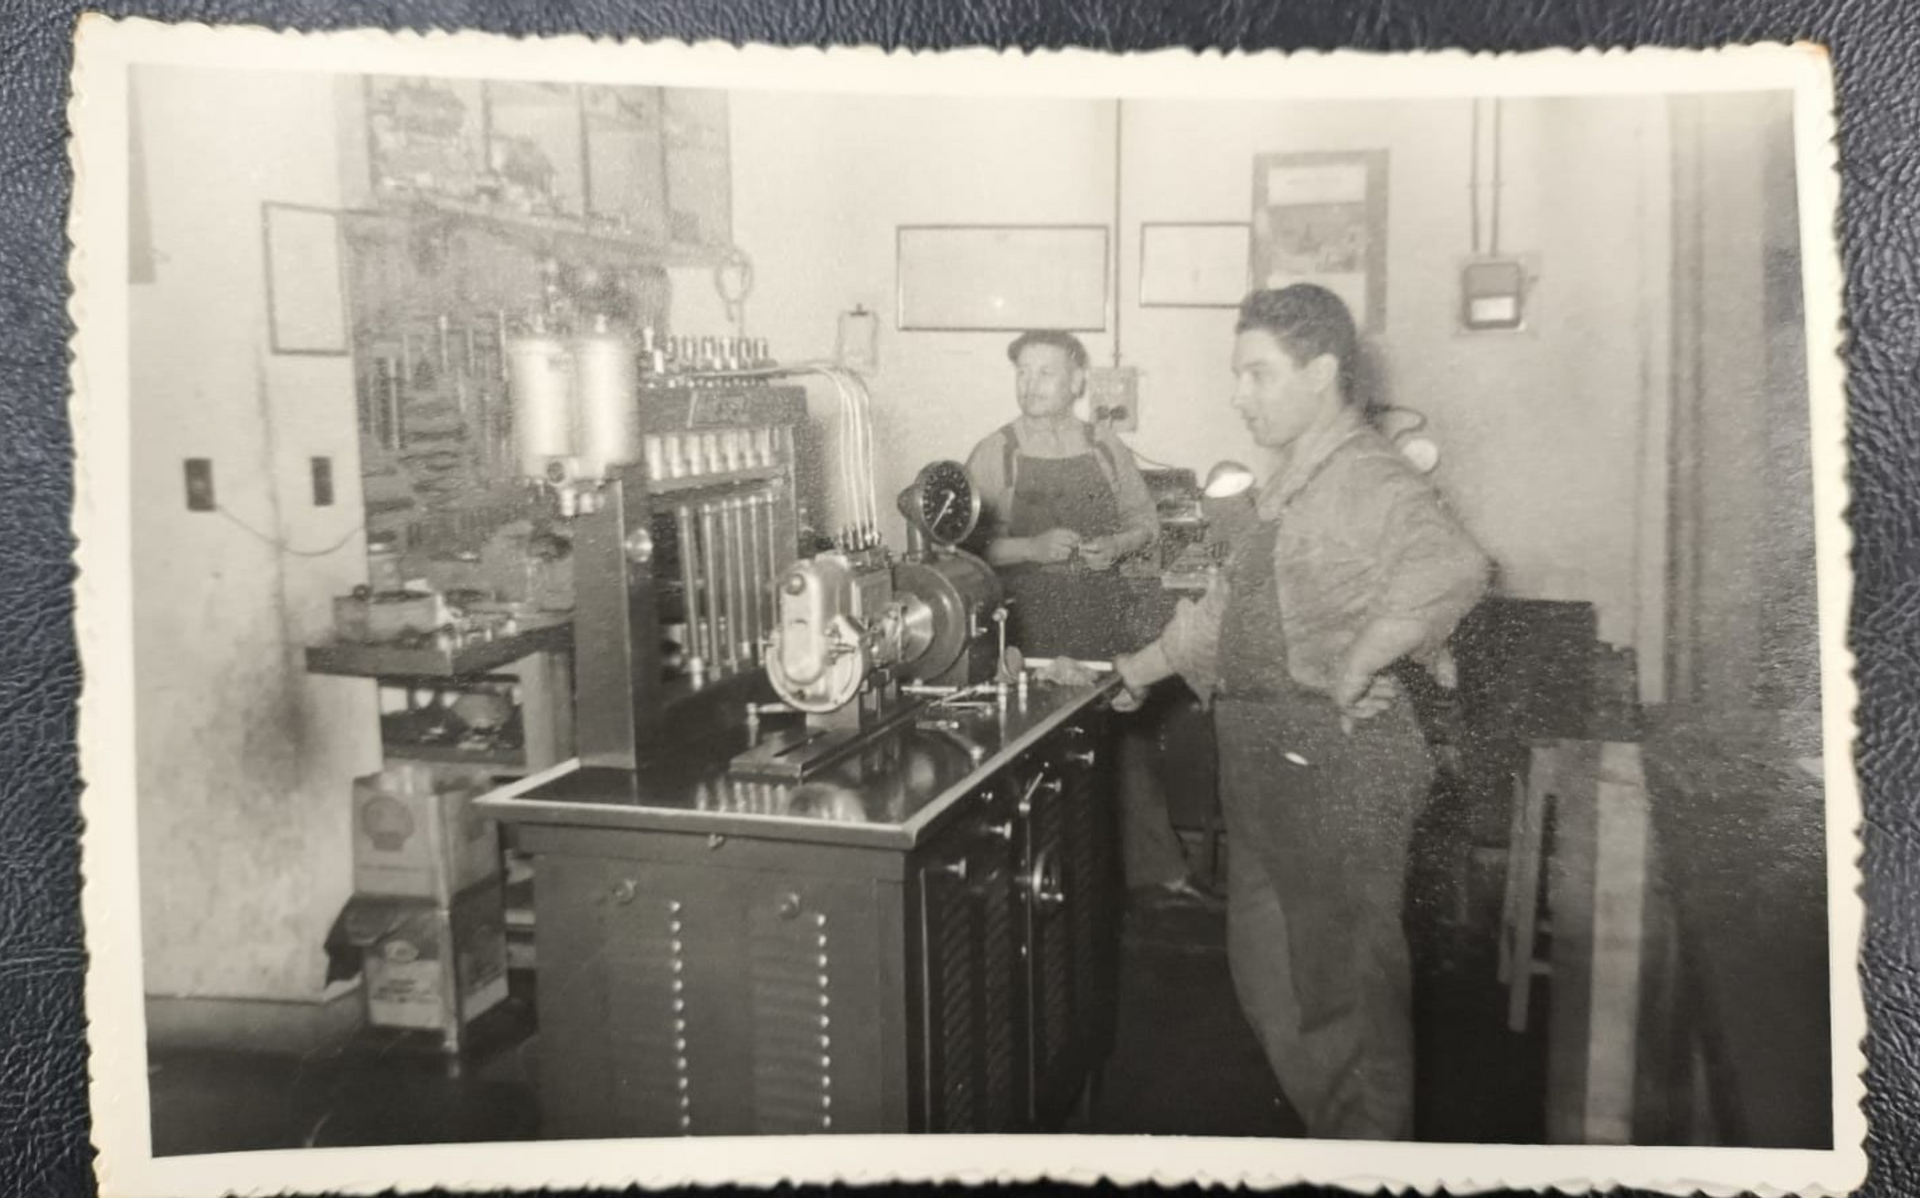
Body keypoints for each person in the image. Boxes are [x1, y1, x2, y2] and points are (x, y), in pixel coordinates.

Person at [1113, 286, 1490, 1140]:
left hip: (1333, 761)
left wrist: (1362, 662)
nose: (1238, 394)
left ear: (1321, 373)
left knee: (1344, 996)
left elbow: (1455, 566)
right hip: (1262, 758)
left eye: (1257, 373)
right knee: (1269, 975)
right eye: (1236, 374)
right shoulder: (1288, 484)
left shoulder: (1363, 472)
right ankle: (1341, 1139)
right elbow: (1224, 614)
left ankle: (1367, 1154)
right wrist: (1134, 672)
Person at [964, 329, 1203, 901]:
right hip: (1026, 624)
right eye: (1022, 372)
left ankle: (1155, 876)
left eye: (1045, 372)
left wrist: (1116, 547)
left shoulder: (1104, 445)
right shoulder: (996, 451)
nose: (1031, 384)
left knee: (1124, 745)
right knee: (1034, 754)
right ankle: (1040, 882)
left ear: (1075, 382)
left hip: (1100, 615)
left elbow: (1145, 524)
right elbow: (967, 554)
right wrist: (1031, 548)